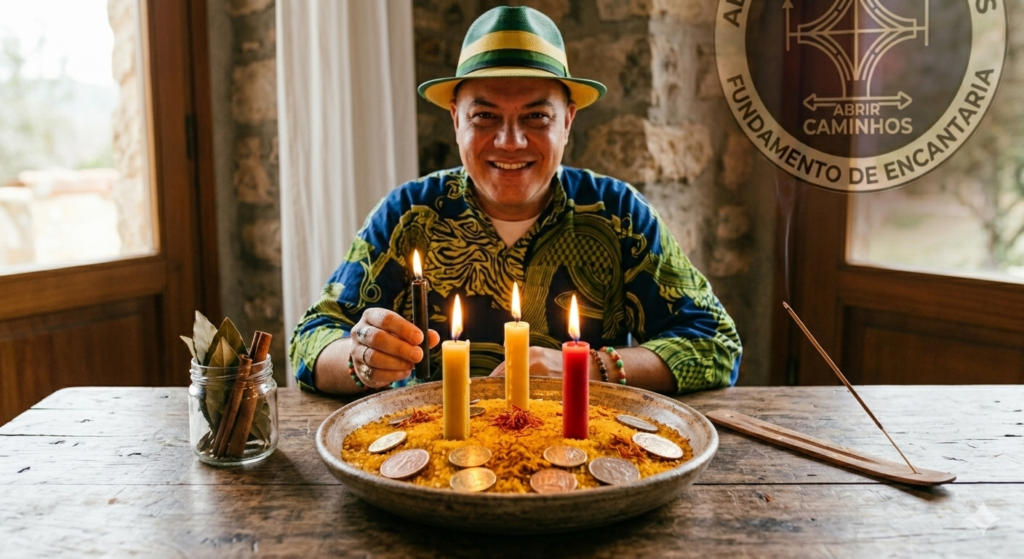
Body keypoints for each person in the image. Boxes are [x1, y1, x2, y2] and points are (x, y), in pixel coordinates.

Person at [289, 5, 742, 396]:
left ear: (567, 121)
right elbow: (309, 342)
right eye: (485, 116)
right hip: (427, 462)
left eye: (536, 117)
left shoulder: (619, 214)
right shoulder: (409, 214)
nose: (509, 142)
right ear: (455, 120)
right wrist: (360, 359)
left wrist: (582, 369)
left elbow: (716, 344)